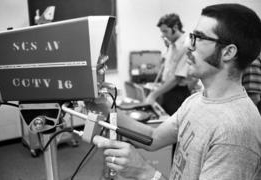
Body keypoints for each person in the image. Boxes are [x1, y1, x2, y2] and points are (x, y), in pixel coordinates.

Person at [93, 3, 261, 180]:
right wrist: (104, 106)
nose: (188, 46)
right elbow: (153, 136)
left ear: (228, 52)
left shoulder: (236, 133)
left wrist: (145, 172)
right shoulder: (196, 101)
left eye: (199, 37)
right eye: (191, 36)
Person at [145, 13, 199, 116]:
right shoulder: (172, 44)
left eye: (165, 31)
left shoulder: (186, 45)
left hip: (179, 93)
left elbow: (177, 78)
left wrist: (153, 95)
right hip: (169, 90)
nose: (163, 35)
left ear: (175, 27)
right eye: (162, 32)